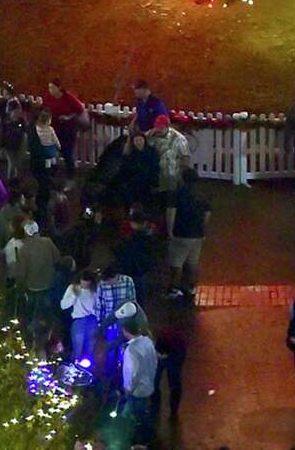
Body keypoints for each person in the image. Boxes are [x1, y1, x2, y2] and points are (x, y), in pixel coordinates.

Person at [167, 167, 209, 299]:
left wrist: (170, 231)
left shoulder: (177, 194)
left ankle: (174, 288)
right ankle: (191, 287)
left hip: (181, 233)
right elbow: (207, 214)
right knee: (192, 262)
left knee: (177, 262)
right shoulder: (202, 196)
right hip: (197, 234)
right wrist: (203, 230)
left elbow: (171, 213)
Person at [120, 318, 158, 436]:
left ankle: (145, 434)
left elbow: (134, 373)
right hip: (149, 383)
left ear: (126, 331)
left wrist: (129, 389)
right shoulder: (147, 341)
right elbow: (154, 360)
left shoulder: (131, 350)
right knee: (142, 410)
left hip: (137, 389)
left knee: (139, 413)